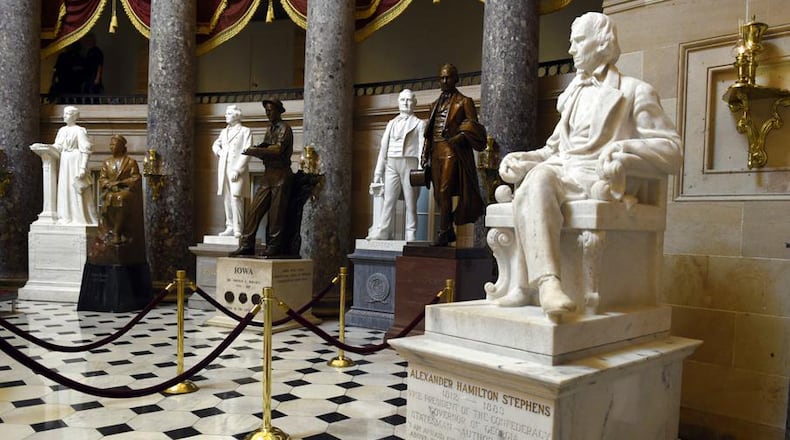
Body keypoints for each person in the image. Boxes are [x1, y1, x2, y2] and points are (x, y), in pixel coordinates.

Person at [497, 12, 682, 319]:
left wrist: (624, 147)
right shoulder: (571, 95)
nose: (570, 49)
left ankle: (543, 285)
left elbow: (673, 151)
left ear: (602, 43)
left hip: (595, 178)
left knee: (539, 179)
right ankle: (546, 285)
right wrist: (523, 159)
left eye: (578, 41)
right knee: (537, 174)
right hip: (560, 171)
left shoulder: (634, 92)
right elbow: (553, 149)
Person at [422, 63, 487, 246]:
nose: (444, 81)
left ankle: (443, 232)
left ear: (456, 78)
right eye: (442, 78)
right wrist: (424, 153)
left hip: (451, 149)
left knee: (445, 190)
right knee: (438, 195)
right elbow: (429, 131)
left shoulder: (464, 101)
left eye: (448, 77)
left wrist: (461, 136)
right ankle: (448, 230)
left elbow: (473, 126)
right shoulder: (434, 104)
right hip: (435, 150)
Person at [230, 99, 293, 257]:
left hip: (280, 174)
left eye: (270, 110)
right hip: (268, 174)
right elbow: (266, 146)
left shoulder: (285, 128)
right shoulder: (269, 129)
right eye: (266, 111)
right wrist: (256, 150)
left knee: (276, 214)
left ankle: (274, 246)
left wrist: (256, 151)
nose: (268, 113)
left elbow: (278, 149)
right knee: (254, 210)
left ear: (278, 111)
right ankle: (246, 244)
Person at [367, 89, 425, 242]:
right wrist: (378, 172)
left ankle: (411, 232)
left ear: (415, 103)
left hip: (410, 163)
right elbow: (383, 149)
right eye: (403, 100)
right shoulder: (391, 123)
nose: (406, 103)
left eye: (409, 100)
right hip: (391, 163)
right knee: (389, 200)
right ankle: (383, 230)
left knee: (410, 201)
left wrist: (421, 168)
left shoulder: (419, 124)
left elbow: (421, 148)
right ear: (399, 102)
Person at [53, 106, 98, 225]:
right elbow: (57, 146)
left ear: (74, 116)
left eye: (67, 114)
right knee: (65, 188)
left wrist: (83, 167)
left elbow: (85, 149)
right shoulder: (62, 130)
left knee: (76, 188)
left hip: (75, 161)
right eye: (64, 114)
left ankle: (78, 217)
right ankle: (66, 216)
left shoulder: (79, 130)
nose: (64, 116)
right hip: (65, 161)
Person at [211, 105, 252, 237]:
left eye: (228, 113)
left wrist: (238, 170)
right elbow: (215, 144)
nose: (225, 115)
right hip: (224, 168)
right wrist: (219, 151)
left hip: (236, 169)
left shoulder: (245, 131)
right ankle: (229, 226)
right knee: (227, 198)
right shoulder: (224, 132)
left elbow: (247, 151)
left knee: (236, 197)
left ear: (236, 115)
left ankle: (238, 228)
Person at [98, 135, 143, 246]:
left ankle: (117, 232)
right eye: (111, 145)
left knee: (120, 198)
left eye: (114, 144)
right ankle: (110, 230)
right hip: (110, 191)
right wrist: (109, 185)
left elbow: (136, 177)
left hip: (126, 191)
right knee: (111, 197)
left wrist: (121, 183)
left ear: (121, 146)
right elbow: (102, 179)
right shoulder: (107, 163)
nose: (111, 147)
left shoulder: (130, 162)